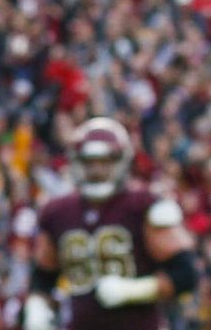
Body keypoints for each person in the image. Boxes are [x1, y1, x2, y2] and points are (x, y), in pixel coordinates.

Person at [24, 117, 197, 330]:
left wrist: (137, 290)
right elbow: (43, 275)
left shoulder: (143, 205)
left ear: (122, 161)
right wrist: (37, 309)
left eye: (105, 162)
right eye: (89, 162)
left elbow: (185, 274)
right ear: (76, 162)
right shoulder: (58, 211)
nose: (96, 170)